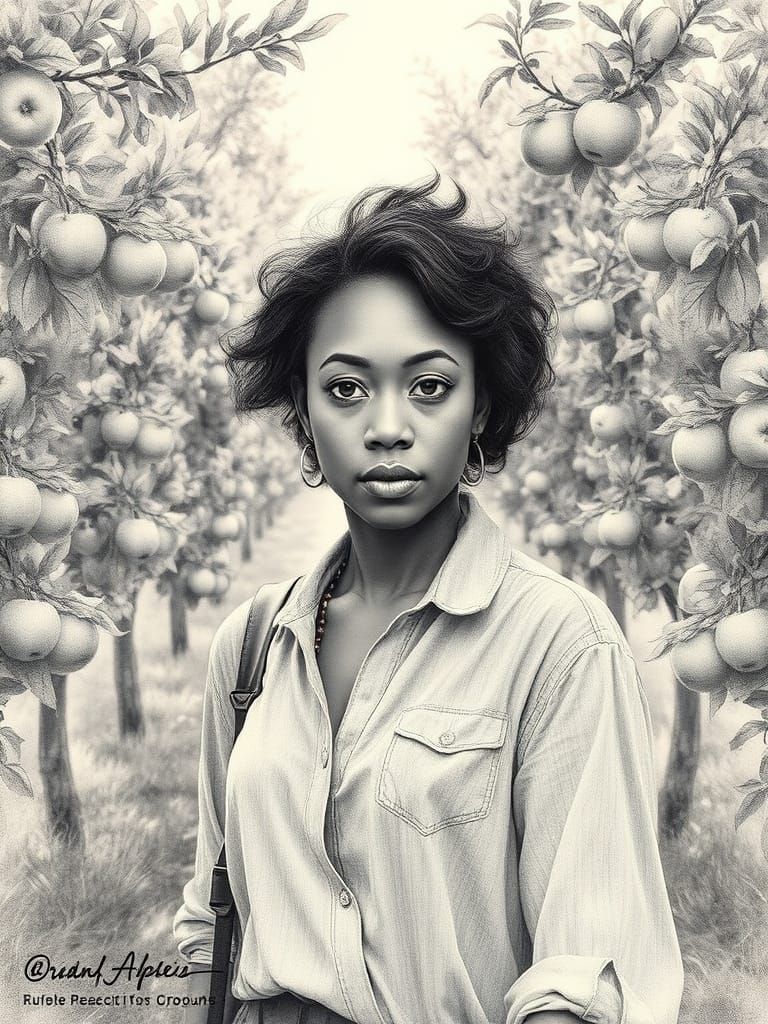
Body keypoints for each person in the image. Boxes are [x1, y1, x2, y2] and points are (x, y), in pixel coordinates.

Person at [174, 172, 684, 1024]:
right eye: (345, 388)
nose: (386, 427)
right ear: (302, 409)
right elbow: (212, 924)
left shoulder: (558, 645)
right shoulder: (255, 645)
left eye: (430, 386)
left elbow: (584, 971)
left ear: (481, 405)